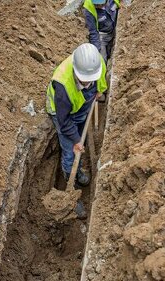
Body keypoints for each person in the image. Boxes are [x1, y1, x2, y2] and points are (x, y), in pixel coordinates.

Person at [46, 43, 107, 188]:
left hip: (80, 105)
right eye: (84, 80)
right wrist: (75, 140)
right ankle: (71, 181)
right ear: (76, 70)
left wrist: (99, 90)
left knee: (80, 136)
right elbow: (64, 121)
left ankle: (77, 166)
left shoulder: (96, 63)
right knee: (70, 151)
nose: (88, 83)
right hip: (62, 113)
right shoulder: (63, 85)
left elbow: (101, 79)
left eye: (90, 79)